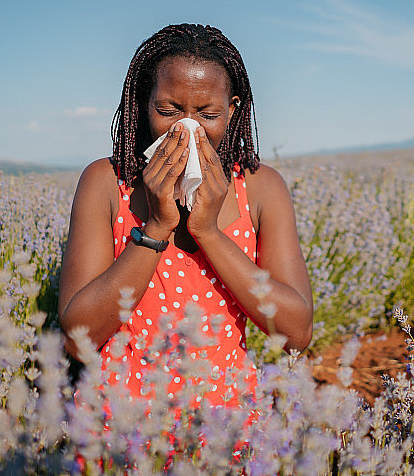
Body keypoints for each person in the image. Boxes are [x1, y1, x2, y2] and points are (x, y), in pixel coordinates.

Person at [58, 23, 313, 407]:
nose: (186, 130)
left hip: (225, 420)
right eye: (168, 111)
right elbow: (78, 339)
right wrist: (157, 227)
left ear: (232, 110)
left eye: (207, 114)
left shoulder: (261, 188)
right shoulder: (107, 182)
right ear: (144, 104)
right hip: (121, 417)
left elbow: (296, 331)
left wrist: (208, 231)